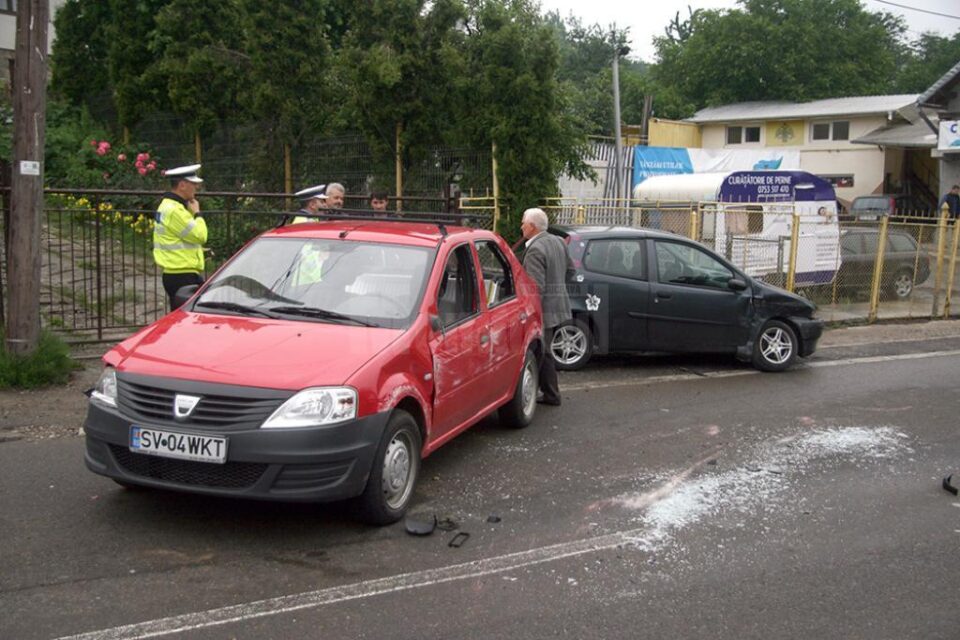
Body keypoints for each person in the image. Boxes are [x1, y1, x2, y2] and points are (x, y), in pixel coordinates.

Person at [520, 207, 572, 406]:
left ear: (532, 227)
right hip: (559, 307)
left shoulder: (535, 249)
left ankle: (551, 395)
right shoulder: (558, 242)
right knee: (545, 351)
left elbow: (535, 289)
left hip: (544, 311)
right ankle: (549, 393)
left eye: (523, 223)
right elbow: (571, 270)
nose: (521, 226)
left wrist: (528, 315)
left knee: (542, 353)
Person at [153, 164, 208, 311]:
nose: (196, 187)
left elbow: (182, 237)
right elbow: (200, 236)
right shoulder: (175, 210)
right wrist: (198, 214)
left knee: (181, 318)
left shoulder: (168, 206)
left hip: (177, 272)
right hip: (182, 275)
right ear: (182, 185)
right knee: (189, 317)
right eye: (194, 184)